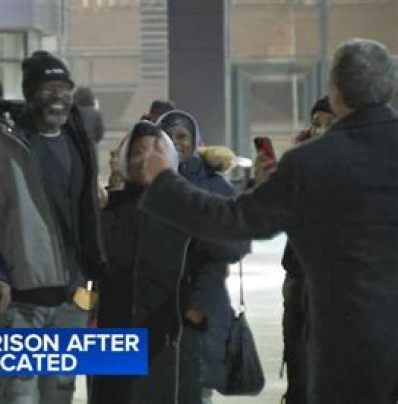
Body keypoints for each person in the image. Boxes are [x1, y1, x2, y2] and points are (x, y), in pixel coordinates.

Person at [138, 38, 398, 404]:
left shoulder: (310, 163)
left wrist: (164, 181)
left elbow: (232, 221)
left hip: (347, 347)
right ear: (390, 87)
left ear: (335, 92)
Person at [0, 50, 107, 404]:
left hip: (73, 299)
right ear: (30, 94)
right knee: (20, 398)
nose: (58, 97)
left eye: (64, 89)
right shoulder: (2, 146)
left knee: (59, 396)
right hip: (22, 304)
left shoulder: (78, 139)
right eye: (48, 89)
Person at [92, 121, 198, 404]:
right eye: (137, 153)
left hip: (161, 329)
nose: (143, 161)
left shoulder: (182, 208)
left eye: (153, 153)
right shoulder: (109, 206)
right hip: (113, 326)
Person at [157, 111, 251, 404]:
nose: (175, 142)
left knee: (194, 390)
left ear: (195, 141)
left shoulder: (214, 186)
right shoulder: (146, 183)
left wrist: (199, 305)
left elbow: (235, 247)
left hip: (198, 308)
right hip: (154, 309)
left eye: (182, 136)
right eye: (168, 136)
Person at [252, 96, 336, 404]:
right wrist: (263, 186)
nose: (321, 130)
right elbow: (263, 221)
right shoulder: (297, 167)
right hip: (298, 283)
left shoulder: (362, 169)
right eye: (316, 124)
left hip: (340, 289)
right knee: (300, 370)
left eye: (330, 124)